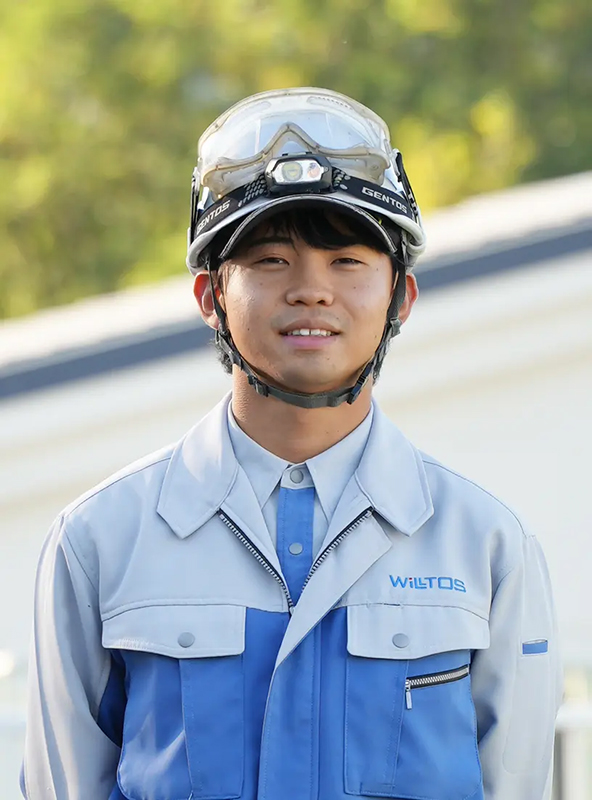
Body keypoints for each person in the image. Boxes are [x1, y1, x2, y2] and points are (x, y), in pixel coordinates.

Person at [21, 87, 562, 800]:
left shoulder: (486, 545)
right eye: (271, 259)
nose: (311, 290)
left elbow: (517, 783)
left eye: (347, 260)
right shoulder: (100, 540)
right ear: (211, 296)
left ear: (401, 297)